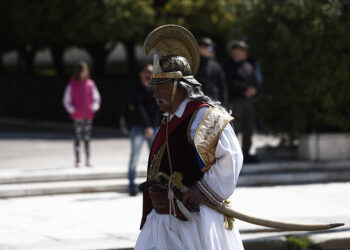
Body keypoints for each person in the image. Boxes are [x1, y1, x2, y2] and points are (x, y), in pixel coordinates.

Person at [135, 25, 244, 250]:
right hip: (162, 219)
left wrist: (202, 189)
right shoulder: (170, 118)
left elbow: (231, 157)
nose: (155, 93)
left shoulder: (206, 116)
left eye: (161, 86)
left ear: (179, 86)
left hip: (194, 221)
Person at [127, 64, 161, 196]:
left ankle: (154, 184)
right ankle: (131, 184)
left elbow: (158, 110)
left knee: (155, 159)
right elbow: (138, 108)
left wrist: (153, 126)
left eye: (152, 72)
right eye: (147, 72)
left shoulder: (156, 89)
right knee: (135, 157)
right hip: (138, 127)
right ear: (141, 74)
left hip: (154, 127)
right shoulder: (136, 89)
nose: (150, 74)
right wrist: (147, 126)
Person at [224, 40, 260, 163]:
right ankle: (233, 154)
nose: (245, 52)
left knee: (248, 126)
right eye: (242, 50)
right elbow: (229, 82)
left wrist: (253, 89)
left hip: (249, 101)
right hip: (236, 100)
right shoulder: (228, 65)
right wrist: (244, 89)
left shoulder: (248, 65)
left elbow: (255, 80)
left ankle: (246, 153)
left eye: (245, 50)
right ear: (234, 51)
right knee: (236, 127)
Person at [63, 61, 101, 168]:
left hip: (88, 115)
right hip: (77, 116)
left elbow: (96, 98)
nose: (83, 73)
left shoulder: (90, 84)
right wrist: (72, 110)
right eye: (81, 71)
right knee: (77, 138)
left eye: (85, 71)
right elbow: (66, 100)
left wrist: (94, 107)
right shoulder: (72, 85)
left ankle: (88, 159)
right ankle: (78, 160)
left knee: (87, 138)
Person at [196, 37, 228, 106]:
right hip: (197, 103)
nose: (212, 50)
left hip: (215, 102)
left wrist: (225, 104)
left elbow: (222, 86)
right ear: (200, 48)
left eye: (212, 47)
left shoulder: (216, 65)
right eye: (209, 47)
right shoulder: (193, 64)